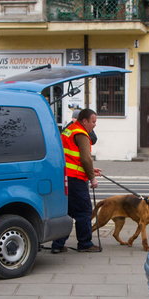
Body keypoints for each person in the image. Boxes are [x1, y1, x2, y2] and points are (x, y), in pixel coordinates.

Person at [51, 108, 102, 253]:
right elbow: (85, 159)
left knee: (68, 211)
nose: (94, 125)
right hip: (76, 179)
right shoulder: (81, 134)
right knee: (84, 211)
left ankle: (58, 244)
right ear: (84, 121)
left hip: (65, 176)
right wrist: (92, 178)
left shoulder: (69, 130)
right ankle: (85, 244)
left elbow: (72, 156)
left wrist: (92, 170)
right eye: (93, 121)